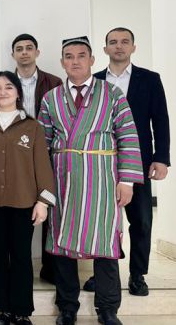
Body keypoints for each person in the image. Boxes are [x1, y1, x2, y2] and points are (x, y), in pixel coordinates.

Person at [38, 36, 143, 325]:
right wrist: (42, 188)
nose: (75, 61)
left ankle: (107, 309)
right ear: (62, 62)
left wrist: (127, 181)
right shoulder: (51, 98)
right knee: (61, 244)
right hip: (62, 180)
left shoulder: (112, 94)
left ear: (92, 60)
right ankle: (67, 306)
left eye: (81, 55)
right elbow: (41, 145)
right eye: (69, 56)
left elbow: (128, 136)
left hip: (103, 180)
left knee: (106, 242)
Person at [82, 27, 170, 296]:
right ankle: (102, 274)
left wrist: (161, 158)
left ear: (133, 47)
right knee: (102, 220)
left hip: (138, 161)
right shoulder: (93, 80)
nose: (118, 46)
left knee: (141, 220)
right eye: (113, 42)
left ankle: (137, 274)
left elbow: (161, 120)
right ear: (105, 49)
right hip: (101, 162)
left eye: (124, 42)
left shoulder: (150, 79)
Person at [0, 71, 56, 325]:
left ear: (18, 92)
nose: (3, 92)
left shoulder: (32, 126)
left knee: (20, 256)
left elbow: (42, 166)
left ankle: (22, 311)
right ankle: (3, 309)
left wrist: (43, 202)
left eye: (8, 87)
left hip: (23, 201)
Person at [10, 33, 63, 284]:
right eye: (19, 49)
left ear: (37, 52)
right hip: (16, 157)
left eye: (29, 48)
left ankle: (50, 267)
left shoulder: (54, 82)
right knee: (19, 212)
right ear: (13, 54)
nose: (24, 52)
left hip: (48, 153)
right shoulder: (6, 82)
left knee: (50, 210)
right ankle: (18, 268)